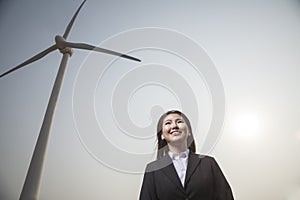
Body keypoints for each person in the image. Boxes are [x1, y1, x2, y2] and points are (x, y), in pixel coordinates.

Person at [139, 110, 234, 200]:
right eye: (168, 123)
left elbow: (226, 197)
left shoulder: (209, 163)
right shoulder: (153, 169)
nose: (174, 126)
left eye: (179, 121)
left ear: (188, 131)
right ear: (162, 135)